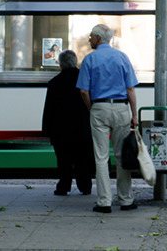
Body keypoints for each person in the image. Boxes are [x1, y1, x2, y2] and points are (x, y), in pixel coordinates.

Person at [77, 24, 139, 213]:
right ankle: (126, 199)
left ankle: (104, 202)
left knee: (101, 157)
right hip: (121, 107)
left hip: (99, 107)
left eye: (90, 37)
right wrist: (134, 114)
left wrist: (92, 109)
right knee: (122, 155)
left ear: (97, 38)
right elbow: (130, 89)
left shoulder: (90, 59)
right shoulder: (122, 57)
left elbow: (83, 91)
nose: (88, 40)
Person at [42, 50, 94, 196]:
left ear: (60, 65)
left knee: (64, 161)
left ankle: (63, 187)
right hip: (83, 129)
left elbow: (49, 109)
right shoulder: (86, 80)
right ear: (76, 62)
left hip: (61, 131)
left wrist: (47, 130)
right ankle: (85, 186)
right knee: (83, 160)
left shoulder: (54, 83)